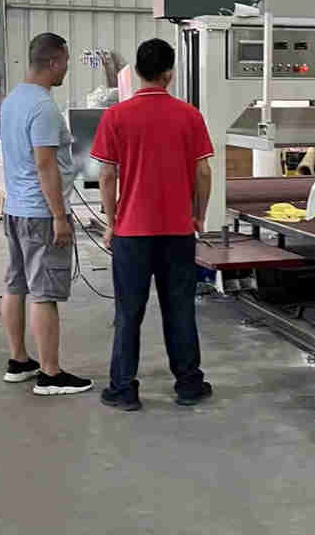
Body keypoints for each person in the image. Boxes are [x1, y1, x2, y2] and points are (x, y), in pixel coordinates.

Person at [92, 38, 214, 412]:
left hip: (132, 233)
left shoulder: (116, 116)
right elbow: (203, 172)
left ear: (137, 72)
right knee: (180, 310)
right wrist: (199, 215)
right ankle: (189, 384)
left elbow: (107, 175)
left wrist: (111, 222)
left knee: (129, 313)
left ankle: (123, 389)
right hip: (178, 232)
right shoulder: (189, 116)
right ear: (170, 73)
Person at [0, 32, 93, 397]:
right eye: (65, 62)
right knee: (44, 293)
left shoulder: (12, 101)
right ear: (53, 62)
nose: (67, 68)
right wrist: (59, 216)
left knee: (16, 284)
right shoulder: (43, 107)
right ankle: (50, 374)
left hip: (15, 209)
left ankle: (19, 360)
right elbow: (45, 164)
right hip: (40, 213)